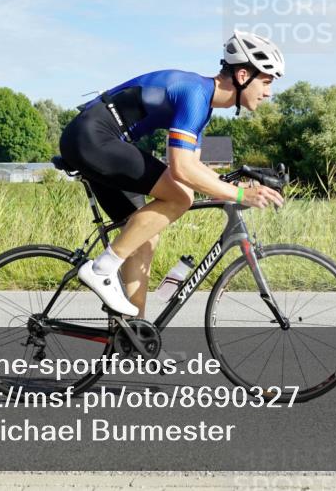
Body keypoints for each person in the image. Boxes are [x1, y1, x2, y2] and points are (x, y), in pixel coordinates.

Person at [58, 31, 286, 318]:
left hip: (96, 141)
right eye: (266, 82)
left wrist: (231, 184)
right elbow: (181, 169)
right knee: (180, 198)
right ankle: (101, 270)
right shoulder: (195, 95)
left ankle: (133, 333)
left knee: (143, 238)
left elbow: (192, 166)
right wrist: (241, 195)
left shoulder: (202, 106)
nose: (268, 93)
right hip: (93, 138)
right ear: (243, 75)